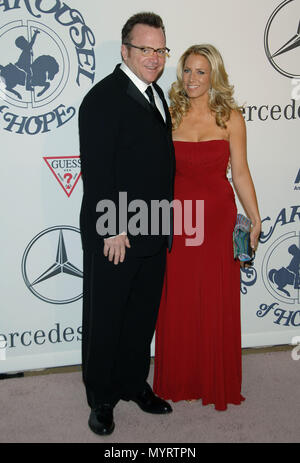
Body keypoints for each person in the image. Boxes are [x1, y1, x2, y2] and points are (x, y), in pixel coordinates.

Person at [78, 12, 175, 435]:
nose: (154, 57)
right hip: (116, 234)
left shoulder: (157, 94)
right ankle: (101, 398)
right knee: (107, 318)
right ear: (125, 50)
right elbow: (98, 171)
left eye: (160, 49)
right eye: (145, 49)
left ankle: (134, 383)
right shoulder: (103, 98)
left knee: (140, 316)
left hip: (153, 230)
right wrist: (113, 228)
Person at [153, 44, 261, 411]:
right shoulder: (168, 115)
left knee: (215, 297)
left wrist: (256, 217)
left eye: (201, 71)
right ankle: (181, 377)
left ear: (214, 75)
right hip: (180, 220)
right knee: (179, 297)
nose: (192, 78)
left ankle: (215, 377)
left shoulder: (231, 117)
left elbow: (241, 174)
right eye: (187, 70)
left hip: (217, 219)